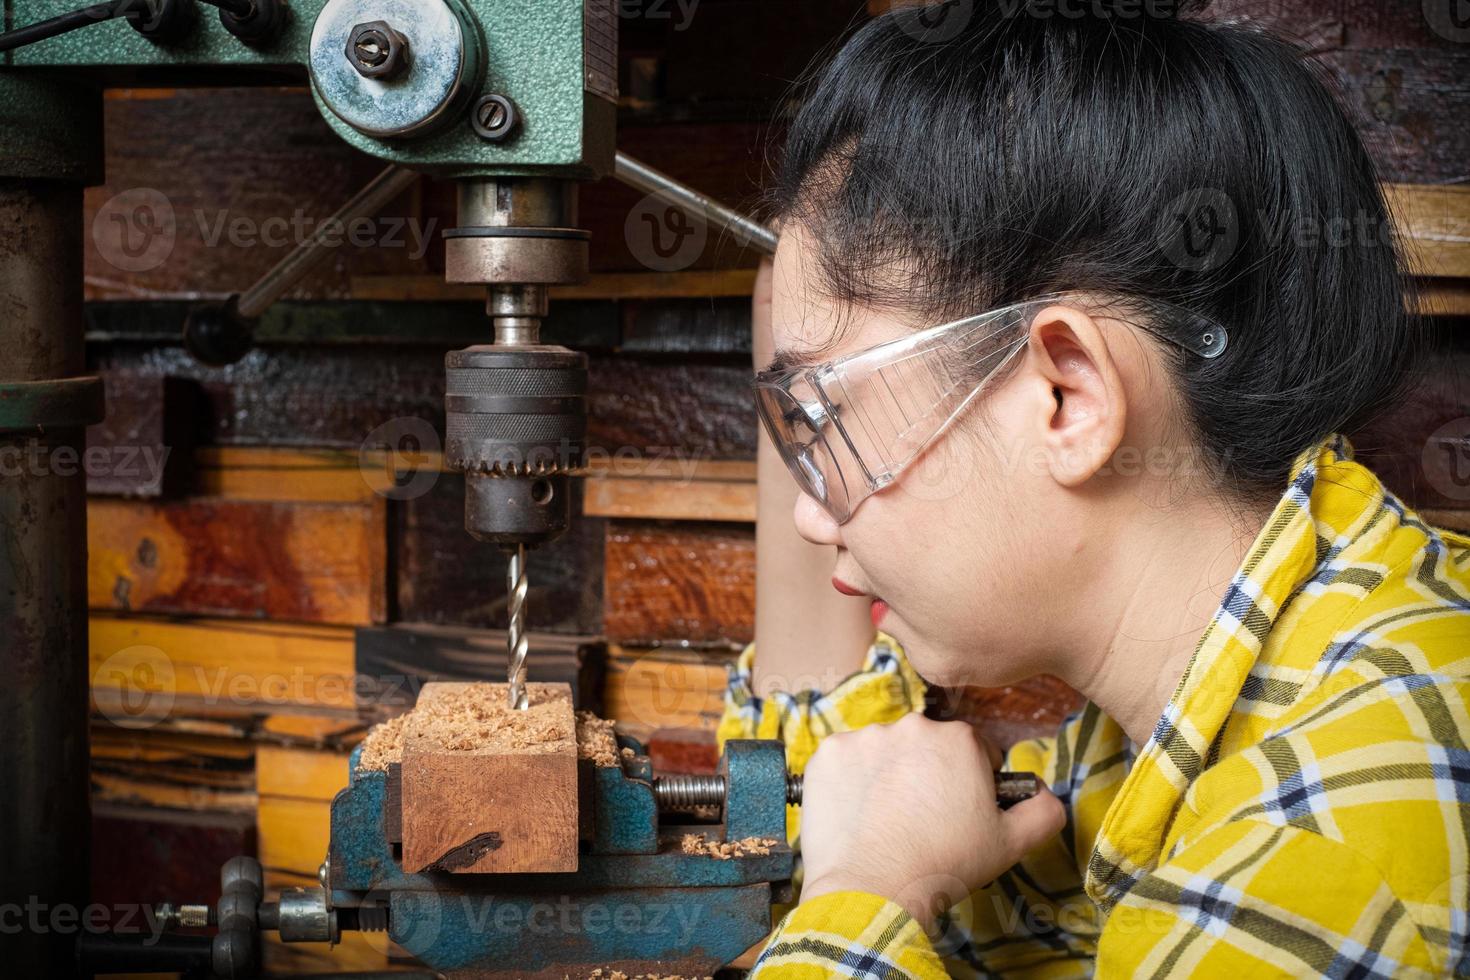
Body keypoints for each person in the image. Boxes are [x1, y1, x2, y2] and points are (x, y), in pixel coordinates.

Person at [716, 2, 1470, 976]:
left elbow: (852, 863)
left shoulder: (1310, 856)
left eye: (827, 417)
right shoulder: (1189, 711)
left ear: (1066, 397)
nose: (810, 510)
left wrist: (860, 898)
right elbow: (844, 785)